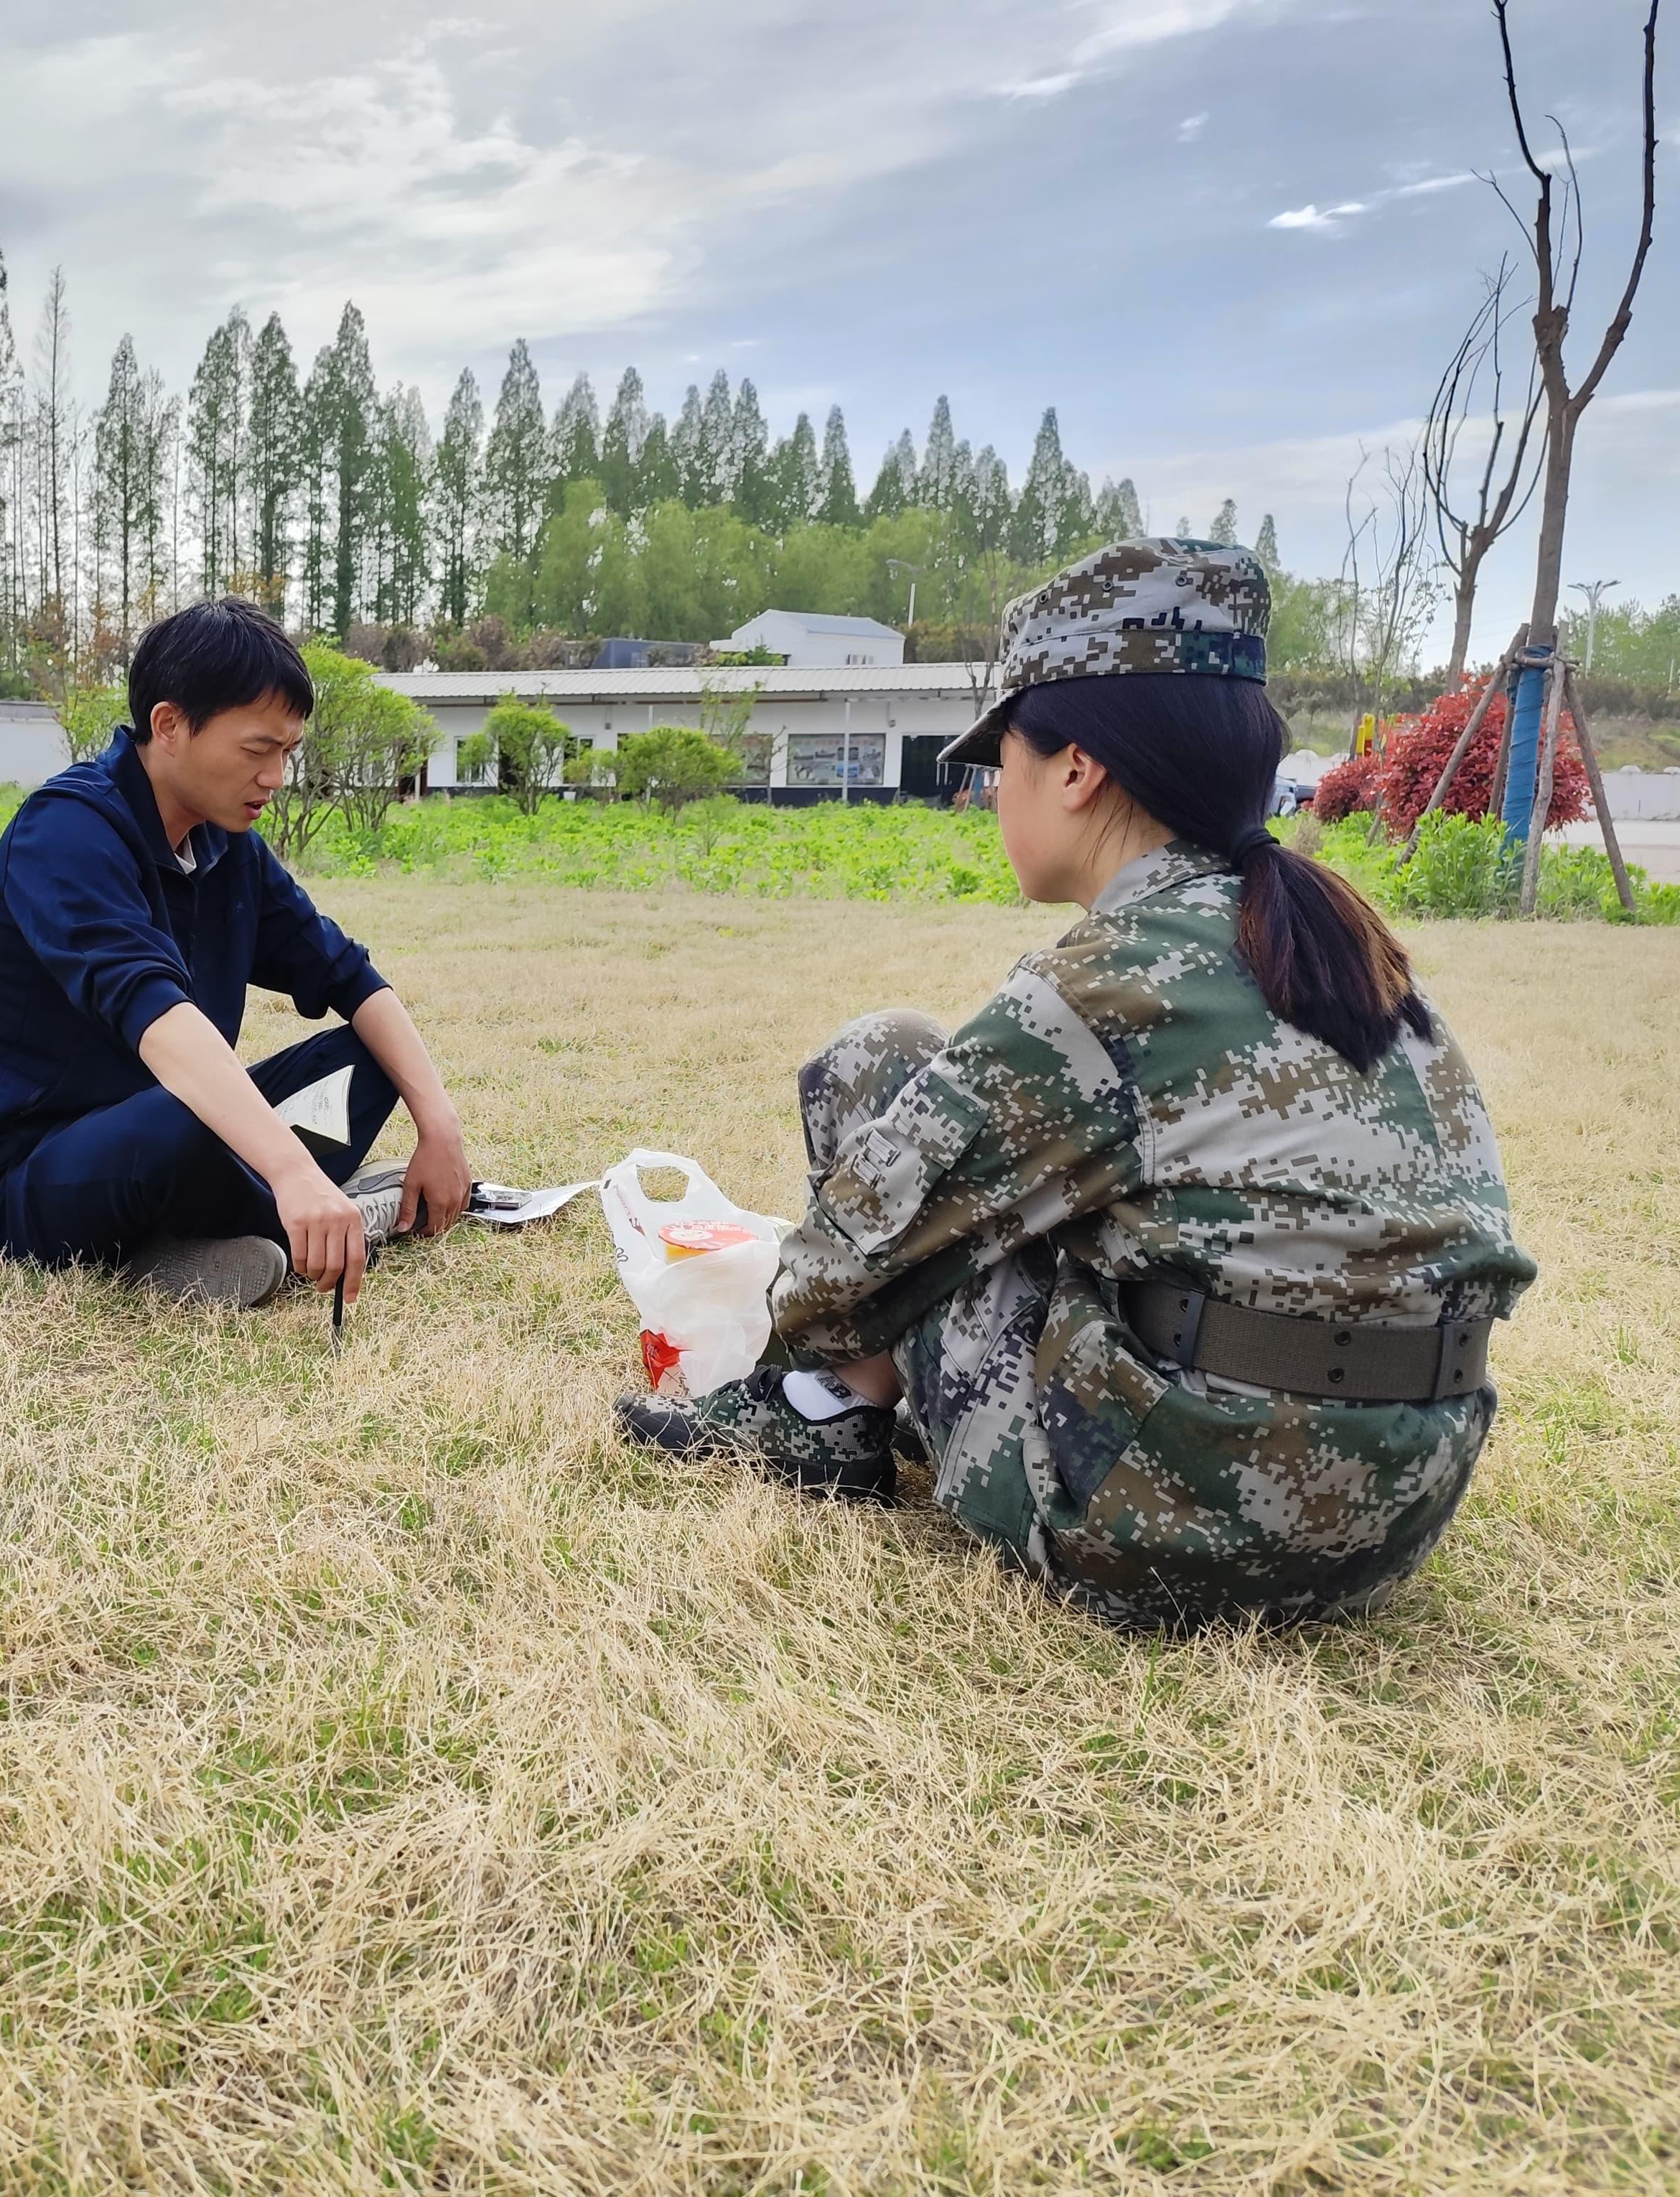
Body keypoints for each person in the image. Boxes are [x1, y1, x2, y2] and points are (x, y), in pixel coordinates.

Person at [617, 539, 1537, 1629]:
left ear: (1076, 768)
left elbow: (841, 1276)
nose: (993, 788)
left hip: (1180, 1530)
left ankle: (824, 1419)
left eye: (1001, 756)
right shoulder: (1339, 938)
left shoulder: (1108, 983)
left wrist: (757, 1331)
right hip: (1401, 1512)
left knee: (881, 1058)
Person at [0, 597, 472, 1307]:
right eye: (257, 750)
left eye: (287, 753)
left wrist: (441, 1128)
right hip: (41, 1179)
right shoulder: (67, 832)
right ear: (169, 726)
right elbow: (153, 1013)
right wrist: (292, 1170)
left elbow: (349, 975)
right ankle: (316, 1214)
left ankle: (207, 1240)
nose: (276, 777)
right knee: (186, 1121)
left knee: (372, 1060)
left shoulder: (226, 847)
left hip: (186, 1133)